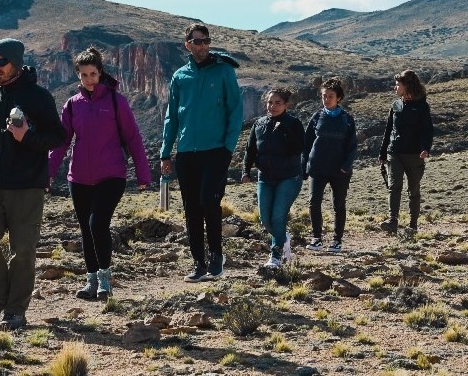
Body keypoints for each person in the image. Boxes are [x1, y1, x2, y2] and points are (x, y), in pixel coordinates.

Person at [0, 38, 65, 331]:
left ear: (16, 62)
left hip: (27, 188)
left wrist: (28, 137)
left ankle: (15, 311)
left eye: (1, 62)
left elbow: (58, 137)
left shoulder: (37, 97)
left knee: (23, 251)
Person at [48, 47, 151, 301]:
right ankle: (91, 280)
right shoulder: (73, 105)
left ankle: (105, 278)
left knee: (98, 224)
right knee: (85, 228)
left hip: (111, 174)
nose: (89, 79)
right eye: (84, 75)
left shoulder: (117, 101)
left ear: (100, 72)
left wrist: (143, 173)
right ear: (78, 77)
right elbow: (61, 142)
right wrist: (48, 172)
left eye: (93, 74)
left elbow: (133, 138)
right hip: (79, 177)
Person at [160, 23, 243, 282]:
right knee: (191, 208)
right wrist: (165, 153)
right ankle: (198, 263)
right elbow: (171, 117)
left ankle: (217, 256)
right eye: (197, 41)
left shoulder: (224, 71)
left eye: (206, 41)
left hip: (216, 150)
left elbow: (236, 111)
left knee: (209, 201)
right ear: (188, 44)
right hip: (186, 152)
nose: (203, 46)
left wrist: (228, 148)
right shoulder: (180, 76)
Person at [241, 88, 304, 268]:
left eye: (278, 103)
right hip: (265, 178)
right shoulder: (259, 124)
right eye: (270, 102)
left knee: (278, 216)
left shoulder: (293, 123)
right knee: (265, 219)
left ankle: (276, 255)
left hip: (289, 177)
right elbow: (250, 150)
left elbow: (298, 148)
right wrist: (246, 171)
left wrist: (284, 130)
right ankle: (283, 237)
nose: (273, 106)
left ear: (286, 105)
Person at [302, 78, 358, 253]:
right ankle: (316, 238)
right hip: (317, 167)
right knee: (314, 202)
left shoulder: (347, 119)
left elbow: (352, 146)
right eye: (324, 96)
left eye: (330, 96)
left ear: (339, 98)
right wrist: (304, 166)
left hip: (339, 170)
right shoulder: (317, 117)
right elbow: (307, 143)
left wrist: (345, 167)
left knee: (338, 204)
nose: (326, 99)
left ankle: (337, 240)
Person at [378, 70, 433, 235]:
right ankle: (392, 221)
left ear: (407, 86)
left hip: (415, 155)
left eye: (398, 85)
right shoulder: (396, 105)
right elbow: (388, 130)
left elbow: (427, 130)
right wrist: (382, 153)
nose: (395, 88)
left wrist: (426, 148)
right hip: (394, 152)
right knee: (394, 186)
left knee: (413, 189)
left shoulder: (422, 106)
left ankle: (413, 225)